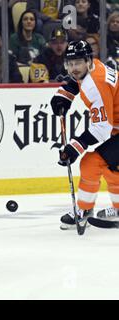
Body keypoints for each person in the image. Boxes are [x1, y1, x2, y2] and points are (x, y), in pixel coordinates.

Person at [50, 40, 119, 230]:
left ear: (88, 61)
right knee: (112, 167)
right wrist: (66, 93)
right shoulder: (94, 66)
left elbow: (102, 128)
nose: (74, 68)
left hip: (113, 127)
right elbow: (76, 80)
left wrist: (75, 147)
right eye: (70, 64)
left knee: (91, 162)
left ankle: (83, 211)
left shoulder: (96, 83)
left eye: (78, 63)